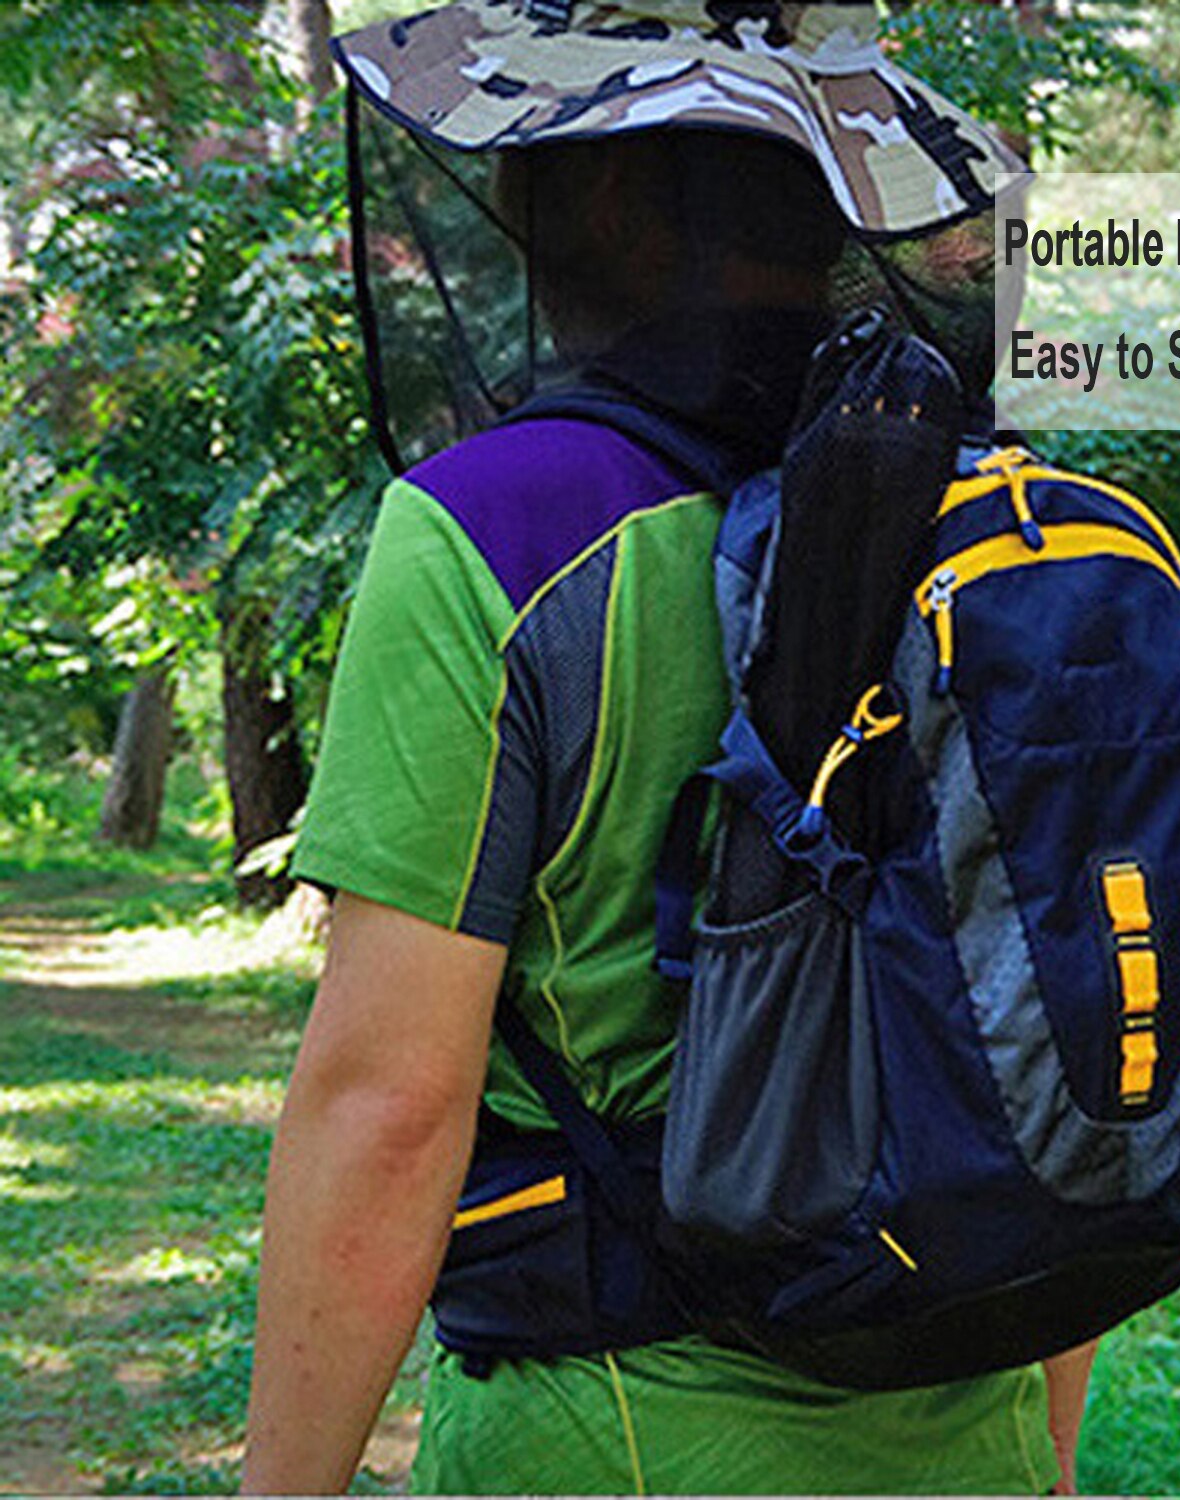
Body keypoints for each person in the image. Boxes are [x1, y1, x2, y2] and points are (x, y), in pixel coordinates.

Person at [242, 3, 1097, 1492]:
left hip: (616, 1441)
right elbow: (1057, 1042)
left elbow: (390, 1106)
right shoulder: (1001, 525)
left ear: (611, 187)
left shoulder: (494, 530)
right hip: (978, 1439)